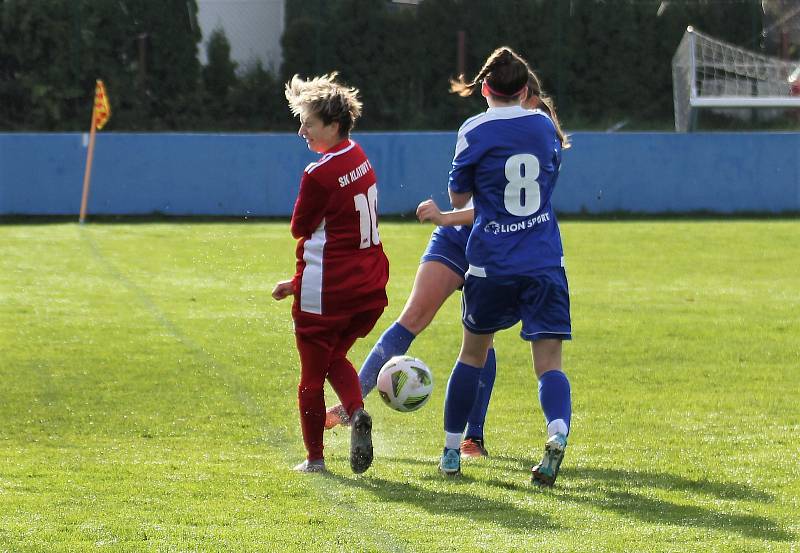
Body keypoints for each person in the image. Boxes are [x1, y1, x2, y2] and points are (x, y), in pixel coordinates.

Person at [437, 46, 573, 487]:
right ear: (525, 89)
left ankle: (453, 452)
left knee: (472, 355)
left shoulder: (474, 129)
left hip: (492, 263)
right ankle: (556, 433)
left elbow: (459, 199)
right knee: (549, 363)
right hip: (543, 260)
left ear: (486, 89)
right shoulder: (544, 125)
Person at [272, 72, 389, 474]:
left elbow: (300, 228)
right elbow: (339, 230)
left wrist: (301, 286)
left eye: (309, 122)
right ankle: (356, 413)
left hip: (327, 294)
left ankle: (315, 459)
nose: (302, 130)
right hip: (367, 287)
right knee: (336, 355)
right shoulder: (359, 156)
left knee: (310, 377)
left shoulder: (317, 174)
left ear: (333, 126)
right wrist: (295, 284)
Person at [324, 196, 496, 458]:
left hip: (497, 240)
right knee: (412, 316)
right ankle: (352, 403)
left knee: (482, 339)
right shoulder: (476, 152)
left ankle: (473, 436)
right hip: (457, 236)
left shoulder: (544, 154)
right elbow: (458, 194)